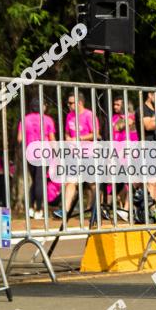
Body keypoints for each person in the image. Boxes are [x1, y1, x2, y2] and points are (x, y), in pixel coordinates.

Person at [55, 92, 100, 220]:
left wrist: (78, 138)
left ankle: (94, 209)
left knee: (92, 184)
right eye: (68, 103)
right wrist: (68, 139)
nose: (68, 105)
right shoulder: (69, 116)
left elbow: (95, 134)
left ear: (79, 103)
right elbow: (67, 133)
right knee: (70, 182)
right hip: (74, 155)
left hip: (89, 153)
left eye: (71, 103)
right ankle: (65, 210)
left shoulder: (89, 115)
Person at [17, 98, 57, 219]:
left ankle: (30, 208)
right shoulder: (48, 120)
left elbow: (19, 138)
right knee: (40, 180)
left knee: (34, 180)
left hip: (30, 152)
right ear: (42, 107)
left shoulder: (25, 119)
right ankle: (39, 209)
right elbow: (52, 139)